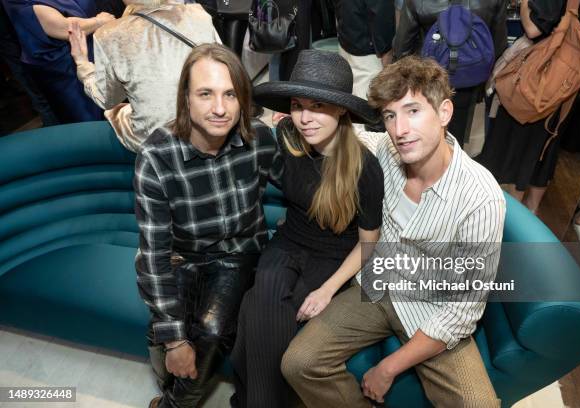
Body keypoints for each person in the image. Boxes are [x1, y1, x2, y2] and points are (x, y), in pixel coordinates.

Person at [281, 55, 506, 407]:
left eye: (413, 111)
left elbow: (462, 313)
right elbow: (347, 130)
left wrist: (387, 368)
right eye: (390, 115)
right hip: (375, 286)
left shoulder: (481, 198)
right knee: (298, 363)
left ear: (445, 112)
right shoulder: (386, 149)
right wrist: (287, 120)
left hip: (433, 309)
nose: (400, 129)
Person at [230, 50, 385, 408]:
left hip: (334, 256)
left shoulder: (365, 167)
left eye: (317, 106)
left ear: (342, 109)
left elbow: (370, 243)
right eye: (298, 105)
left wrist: (328, 290)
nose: (304, 118)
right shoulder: (288, 137)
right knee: (262, 299)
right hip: (288, 241)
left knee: (266, 312)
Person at [134, 43, 283, 408]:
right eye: (206, 94)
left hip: (237, 253)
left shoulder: (257, 138)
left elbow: (304, 185)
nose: (220, 108)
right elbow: (153, 253)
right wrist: (173, 340)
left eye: (230, 94)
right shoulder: (157, 156)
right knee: (163, 332)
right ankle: (169, 380)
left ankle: (171, 406)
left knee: (211, 330)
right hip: (181, 255)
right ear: (185, 98)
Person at [478, 0, 580, 213]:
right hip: (566, 85)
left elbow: (532, 29)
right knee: (543, 151)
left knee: (516, 152)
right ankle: (530, 214)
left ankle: (501, 221)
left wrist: (524, 3)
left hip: (536, 80)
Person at [68, 0, 221, 152]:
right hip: (209, 123)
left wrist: (83, 64)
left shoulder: (109, 34)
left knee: (119, 112)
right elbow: (223, 66)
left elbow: (106, 99)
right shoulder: (199, 14)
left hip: (159, 140)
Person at [393, 0, 507, 147]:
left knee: (425, 129)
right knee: (458, 132)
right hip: (469, 75)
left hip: (428, 77)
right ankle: (454, 163)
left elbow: (403, 45)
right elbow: (497, 44)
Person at [1, 0, 110, 123]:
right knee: (91, 122)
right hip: (66, 69)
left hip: (95, 53)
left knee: (113, 107)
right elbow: (65, 28)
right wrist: (99, 21)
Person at [333, 0, 395, 99]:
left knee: (350, 96)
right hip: (368, 50)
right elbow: (381, 12)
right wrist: (385, 50)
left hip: (348, 37)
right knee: (366, 102)